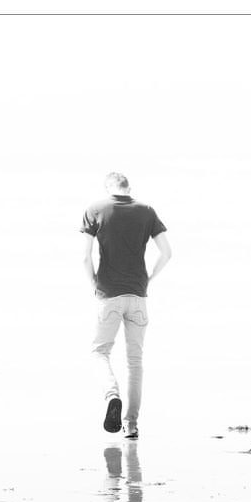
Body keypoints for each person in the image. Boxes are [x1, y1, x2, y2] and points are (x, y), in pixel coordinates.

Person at [81, 172, 171, 438]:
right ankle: (131, 425)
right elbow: (167, 253)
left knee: (99, 352)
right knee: (135, 361)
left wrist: (95, 284)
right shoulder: (146, 211)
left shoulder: (96, 209)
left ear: (108, 188)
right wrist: (150, 278)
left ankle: (112, 396)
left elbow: (85, 258)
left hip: (108, 293)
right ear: (129, 188)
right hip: (138, 295)